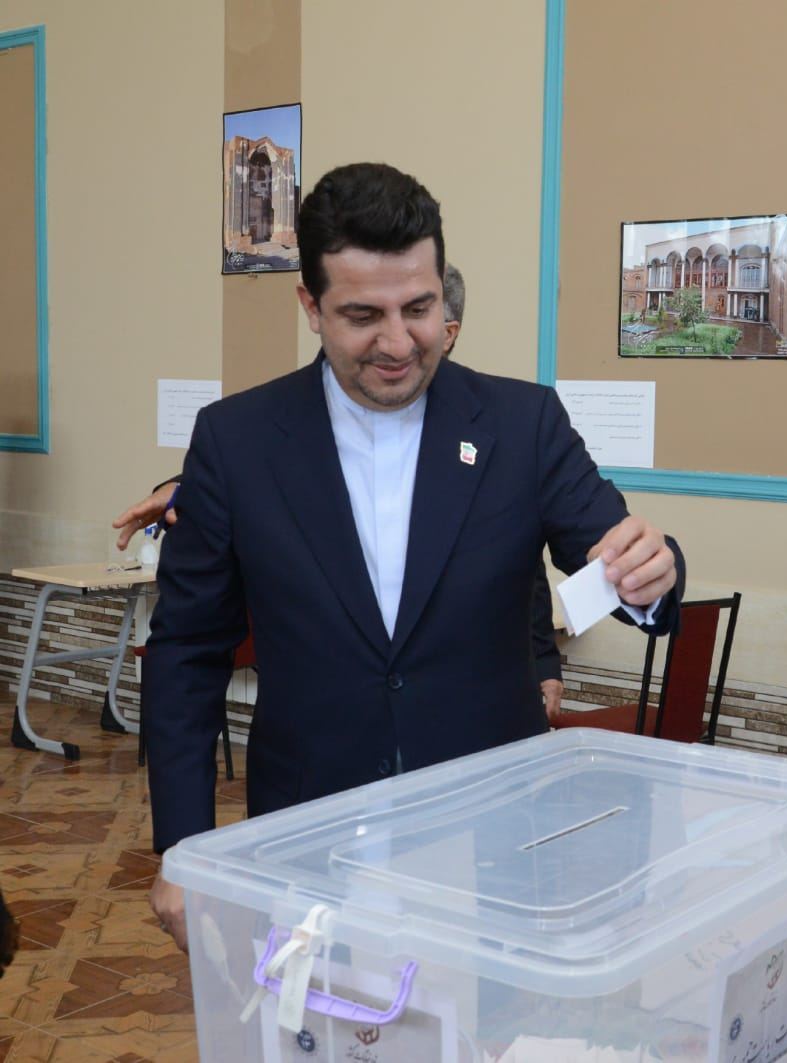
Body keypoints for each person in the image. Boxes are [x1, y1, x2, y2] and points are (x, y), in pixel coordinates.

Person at [142, 162, 684, 950]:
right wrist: (183, 846)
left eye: (419, 308)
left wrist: (652, 568)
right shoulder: (238, 441)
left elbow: (622, 557)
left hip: (495, 840)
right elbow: (186, 652)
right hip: (310, 837)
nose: (398, 343)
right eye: (363, 314)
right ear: (311, 307)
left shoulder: (521, 423)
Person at [112, 263, 566, 715]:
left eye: (414, 313)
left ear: (447, 333)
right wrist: (183, 489)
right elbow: (277, 476)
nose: (389, 339)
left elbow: (519, 561)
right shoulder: (292, 418)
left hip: (465, 723)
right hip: (328, 727)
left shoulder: (504, 428)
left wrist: (543, 659)